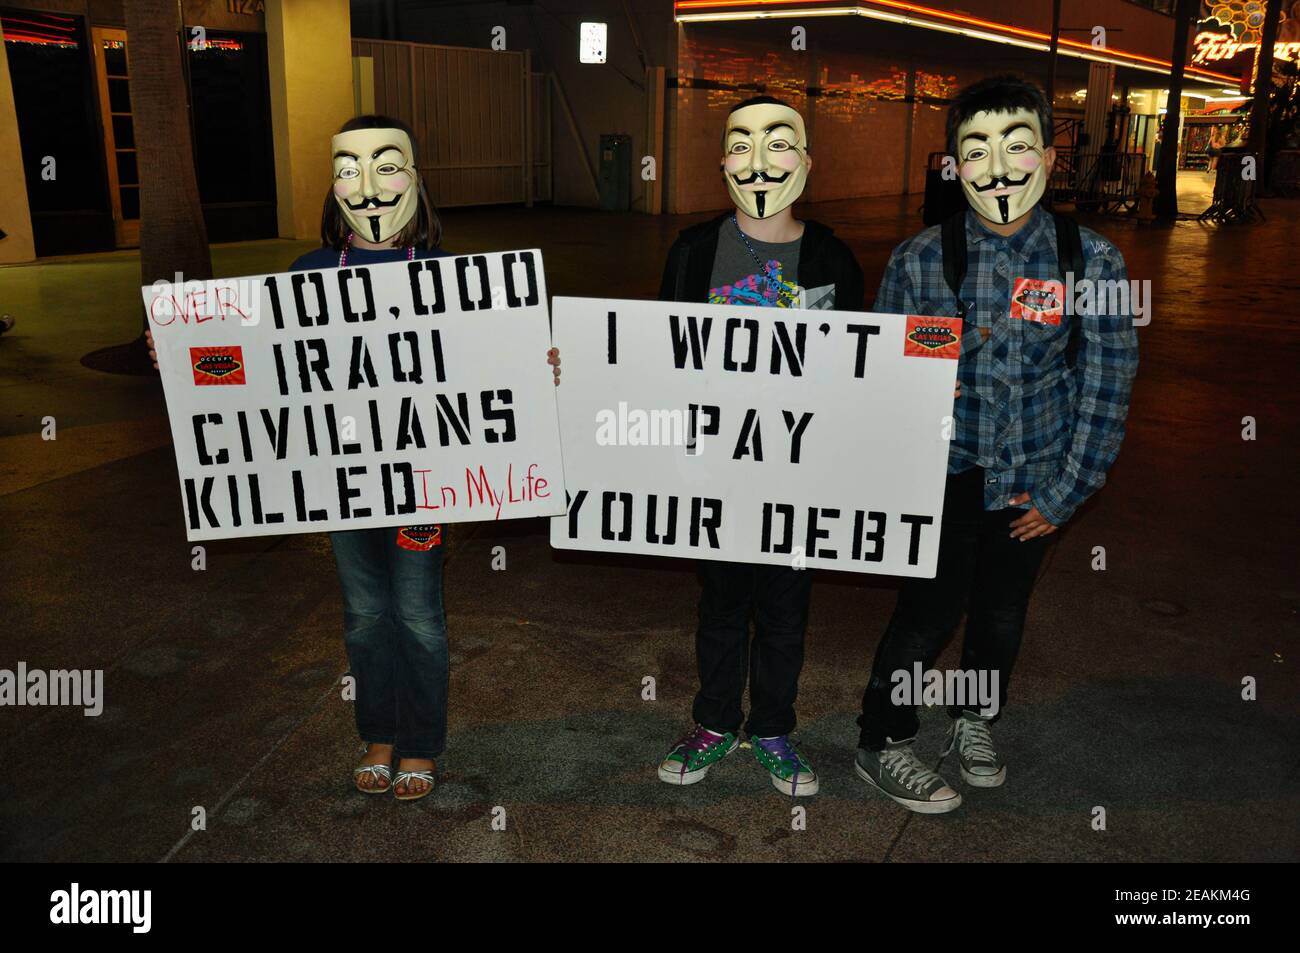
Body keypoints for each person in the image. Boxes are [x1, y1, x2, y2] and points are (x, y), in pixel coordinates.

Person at [148, 114, 560, 801]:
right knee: (365, 614)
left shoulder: (452, 277)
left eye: (387, 166)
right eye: (348, 169)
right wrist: (184, 356)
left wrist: (538, 362)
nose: (367, 186)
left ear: (417, 181)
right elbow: (266, 369)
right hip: (339, 481)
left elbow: (490, 370)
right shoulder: (307, 274)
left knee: (420, 615)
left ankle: (421, 743)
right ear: (333, 185)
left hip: (423, 486)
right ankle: (379, 734)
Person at [853, 75, 1139, 813]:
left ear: (1049, 156)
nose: (999, 167)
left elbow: (1107, 388)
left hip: (1035, 481)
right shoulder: (919, 260)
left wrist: (1064, 493)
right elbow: (886, 376)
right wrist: (918, 391)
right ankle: (883, 738)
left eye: (1017, 146)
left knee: (1002, 614)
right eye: (975, 151)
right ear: (954, 165)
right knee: (927, 613)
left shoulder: (1093, 263)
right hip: (944, 475)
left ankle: (974, 719)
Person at [654, 95, 864, 797]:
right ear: (722, 162)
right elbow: (653, 357)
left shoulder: (831, 254)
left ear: (805, 162)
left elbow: (855, 369)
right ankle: (713, 722)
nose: (759, 161)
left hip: (796, 475)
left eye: (779, 145)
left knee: (783, 610)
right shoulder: (691, 251)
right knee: (719, 604)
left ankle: (773, 728)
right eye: (741, 145)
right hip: (715, 469)